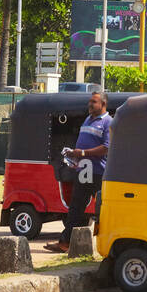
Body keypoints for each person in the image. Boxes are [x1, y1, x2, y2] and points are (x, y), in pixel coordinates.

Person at [45, 91, 110, 253]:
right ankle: (65, 242)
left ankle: (107, 243)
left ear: (103, 105)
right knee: (75, 207)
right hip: (84, 170)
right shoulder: (88, 120)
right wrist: (75, 158)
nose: (90, 104)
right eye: (90, 101)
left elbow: (106, 147)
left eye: (94, 102)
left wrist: (81, 153)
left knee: (104, 208)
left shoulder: (108, 122)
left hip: (99, 172)